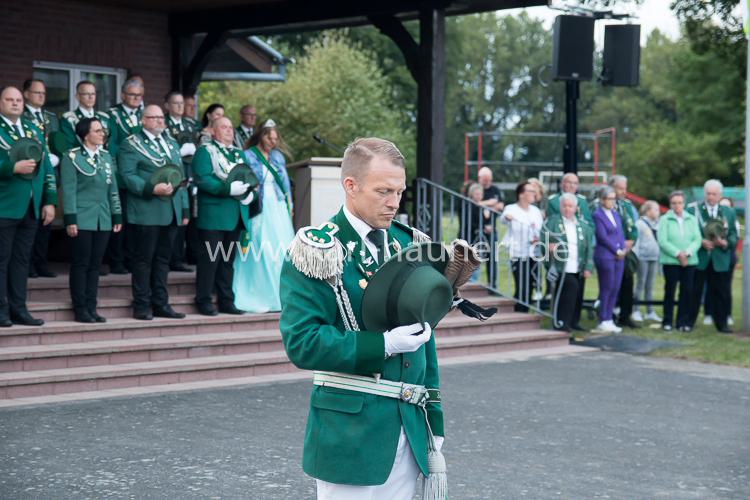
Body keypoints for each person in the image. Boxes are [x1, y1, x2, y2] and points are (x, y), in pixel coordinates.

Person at [279, 137, 444, 499]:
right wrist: (382, 344)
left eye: (400, 192)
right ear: (350, 186)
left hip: (409, 425)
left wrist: (434, 412)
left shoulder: (409, 244)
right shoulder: (317, 250)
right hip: (350, 428)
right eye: (383, 191)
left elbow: (424, 336)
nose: (394, 203)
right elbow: (303, 343)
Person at [117, 105, 189, 320]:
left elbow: (181, 178)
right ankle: (141, 305)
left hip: (172, 210)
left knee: (163, 260)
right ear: (143, 120)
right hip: (146, 210)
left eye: (161, 117)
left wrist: (184, 208)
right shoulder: (131, 144)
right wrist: (150, 188)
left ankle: (161, 303)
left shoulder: (171, 143)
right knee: (143, 260)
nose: (159, 120)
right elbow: (127, 175)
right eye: (153, 117)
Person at [0, 86, 57, 327]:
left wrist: (50, 201)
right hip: (5, 205)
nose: (15, 103)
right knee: (2, 260)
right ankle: (1, 311)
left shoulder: (34, 130)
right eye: (9, 100)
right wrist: (10, 168)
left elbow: (46, 169)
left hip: (32, 206)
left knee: (22, 261)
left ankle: (19, 308)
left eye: (18, 100)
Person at [61, 118, 122, 323]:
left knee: (96, 265)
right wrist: (70, 219)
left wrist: (117, 214)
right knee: (81, 263)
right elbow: (68, 191)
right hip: (82, 217)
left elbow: (112, 189)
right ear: (86, 135)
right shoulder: (71, 157)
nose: (102, 133)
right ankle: (80, 308)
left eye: (102, 130)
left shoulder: (106, 157)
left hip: (102, 218)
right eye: (97, 130)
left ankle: (91, 306)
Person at [192, 117, 254, 316]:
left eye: (230, 128)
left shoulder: (238, 153)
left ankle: (226, 300)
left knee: (227, 262)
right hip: (214, 215)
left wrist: (249, 192)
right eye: (223, 127)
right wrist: (227, 189)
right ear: (213, 131)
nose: (229, 131)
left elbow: (247, 176)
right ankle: (203, 300)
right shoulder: (205, 151)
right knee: (210, 261)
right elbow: (203, 179)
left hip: (235, 214)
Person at [233, 119, 294, 312]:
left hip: (277, 206)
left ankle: (280, 296)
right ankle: (259, 293)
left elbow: (284, 184)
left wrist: (289, 204)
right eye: (269, 137)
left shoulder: (278, 157)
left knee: (282, 250)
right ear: (261, 135)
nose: (273, 142)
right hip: (258, 206)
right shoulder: (248, 155)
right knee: (261, 248)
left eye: (276, 138)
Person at [687, 179, 738, 333]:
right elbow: (689, 233)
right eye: (708, 193)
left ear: (720, 195)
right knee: (694, 291)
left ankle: (722, 324)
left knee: (720, 292)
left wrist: (725, 243)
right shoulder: (693, 210)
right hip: (700, 258)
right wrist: (700, 242)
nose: (710, 197)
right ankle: (688, 322)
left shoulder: (728, 212)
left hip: (719, 259)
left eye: (714, 194)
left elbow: (734, 236)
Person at [106, 78, 144, 274]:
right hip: (121, 174)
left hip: (141, 176)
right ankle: (117, 260)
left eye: (139, 95)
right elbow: (110, 144)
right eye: (132, 95)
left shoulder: (145, 115)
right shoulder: (112, 115)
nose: (136, 98)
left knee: (135, 220)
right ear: (123, 95)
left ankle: (131, 258)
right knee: (120, 219)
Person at [23, 79, 60, 279]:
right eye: (36, 92)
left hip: (49, 171)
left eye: (43, 93)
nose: (40, 96)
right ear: (26, 94)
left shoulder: (51, 117)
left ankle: (41, 262)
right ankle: (28, 264)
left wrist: (57, 157)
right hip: (30, 171)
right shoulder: (22, 116)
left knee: (46, 222)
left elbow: (57, 142)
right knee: (31, 222)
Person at [546, 172, 593, 330]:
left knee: (576, 292)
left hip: (577, 262)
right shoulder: (554, 211)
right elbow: (546, 234)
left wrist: (588, 266)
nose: (568, 209)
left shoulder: (581, 221)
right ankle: (562, 322)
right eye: (565, 206)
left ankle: (572, 321)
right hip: (561, 263)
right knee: (566, 290)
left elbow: (588, 238)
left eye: (571, 206)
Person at [657, 191, 701, 332]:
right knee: (670, 291)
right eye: (674, 203)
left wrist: (687, 253)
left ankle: (683, 321)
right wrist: (678, 254)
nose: (677, 206)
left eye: (680, 203)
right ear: (670, 204)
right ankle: (667, 321)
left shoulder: (691, 219)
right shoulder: (664, 220)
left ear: (684, 203)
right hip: (671, 261)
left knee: (687, 291)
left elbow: (697, 239)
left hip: (690, 262)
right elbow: (663, 241)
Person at [164, 91, 198, 273]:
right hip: (172, 176)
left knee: (185, 219)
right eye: (175, 103)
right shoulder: (165, 123)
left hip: (189, 176)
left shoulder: (189, 124)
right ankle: (169, 258)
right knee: (172, 221)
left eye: (181, 104)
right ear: (167, 106)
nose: (179, 107)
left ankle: (178, 258)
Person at [500, 181, 544, 312]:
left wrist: (538, 239)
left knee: (531, 284)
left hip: (533, 253)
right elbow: (503, 219)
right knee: (521, 284)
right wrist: (507, 217)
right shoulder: (511, 208)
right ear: (521, 194)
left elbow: (540, 230)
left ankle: (525, 310)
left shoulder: (536, 211)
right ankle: (519, 311)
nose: (533, 194)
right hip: (517, 253)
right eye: (530, 191)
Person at [591, 186, 627, 334]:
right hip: (605, 255)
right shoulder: (597, 215)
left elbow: (620, 233)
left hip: (619, 256)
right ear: (602, 199)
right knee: (607, 287)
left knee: (615, 288)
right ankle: (603, 319)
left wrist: (623, 249)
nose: (612, 201)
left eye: (613, 198)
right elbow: (602, 236)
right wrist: (616, 250)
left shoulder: (615, 213)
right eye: (609, 198)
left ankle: (609, 318)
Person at [609, 175, 639, 328]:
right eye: (619, 188)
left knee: (628, 284)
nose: (622, 191)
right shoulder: (603, 205)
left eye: (624, 188)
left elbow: (633, 227)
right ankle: (610, 314)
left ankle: (625, 316)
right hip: (611, 252)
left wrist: (631, 241)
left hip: (626, 251)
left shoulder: (628, 206)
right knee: (612, 285)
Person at [632, 200, 661, 323]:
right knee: (640, 283)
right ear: (648, 210)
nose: (658, 212)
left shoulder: (658, 224)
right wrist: (636, 257)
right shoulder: (640, 223)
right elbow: (636, 242)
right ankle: (636, 310)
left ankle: (650, 311)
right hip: (642, 258)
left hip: (654, 258)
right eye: (655, 209)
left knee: (650, 285)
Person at [60, 81, 111, 151]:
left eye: (93, 94)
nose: (90, 97)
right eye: (86, 94)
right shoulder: (69, 119)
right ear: (77, 97)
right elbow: (69, 146)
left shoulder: (104, 118)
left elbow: (110, 144)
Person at [477, 167, 502, 287]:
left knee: (492, 258)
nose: (487, 181)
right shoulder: (476, 189)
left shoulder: (495, 189)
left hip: (492, 229)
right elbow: (473, 202)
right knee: (474, 258)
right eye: (484, 179)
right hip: (476, 229)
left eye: (489, 179)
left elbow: (501, 205)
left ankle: (492, 285)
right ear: (479, 178)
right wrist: (490, 203)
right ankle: (473, 284)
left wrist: (485, 205)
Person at [718, 196, 739, 326]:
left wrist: (725, 243)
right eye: (722, 205)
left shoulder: (733, 221)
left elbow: (734, 239)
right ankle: (710, 313)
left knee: (726, 287)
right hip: (715, 257)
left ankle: (727, 314)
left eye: (727, 205)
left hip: (728, 256)